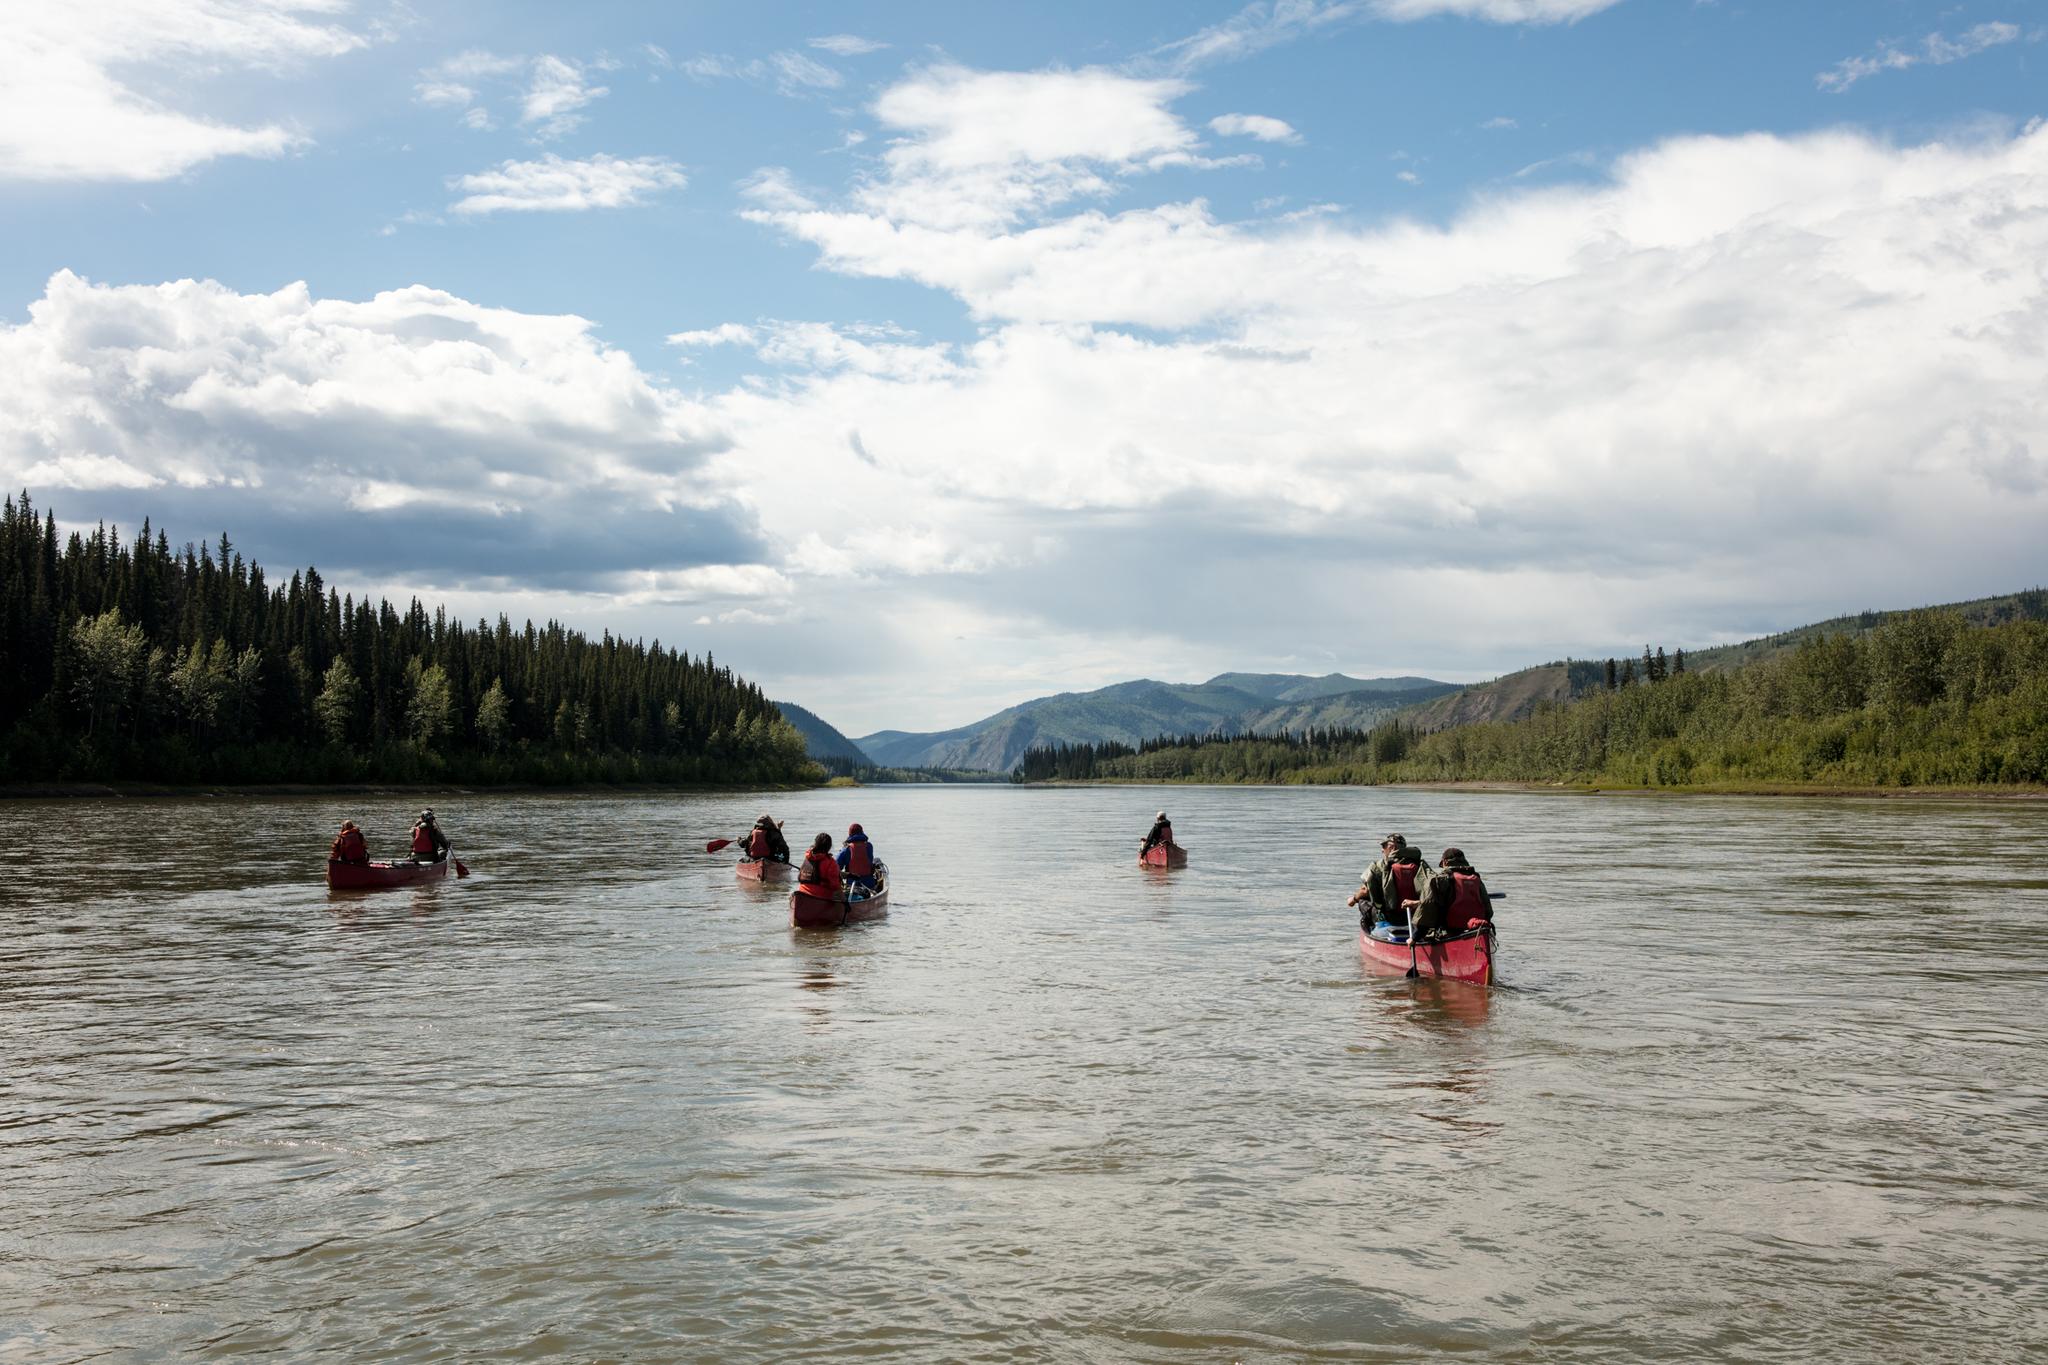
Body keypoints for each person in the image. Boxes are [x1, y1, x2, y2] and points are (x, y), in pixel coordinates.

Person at [1405, 847, 1493, 941]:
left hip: (1448, 933)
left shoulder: (1439, 880)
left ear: (1445, 862)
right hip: (1476, 930)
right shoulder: (1476, 880)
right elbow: (1488, 911)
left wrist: (1415, 937)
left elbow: (1427, 910)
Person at [1348, 832, 1424, 927]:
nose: (1382, 850)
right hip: (1416, 914)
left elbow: (1365, 890)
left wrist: (1353, 899)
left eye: (1384, 846)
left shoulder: (1378, 866)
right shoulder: (1419, 865)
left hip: (1390, 917)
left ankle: (1374, 929)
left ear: (1391, 848)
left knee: (1362, 900)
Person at [795, 832, 843, 903]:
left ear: (816, 844)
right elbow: (835, 885)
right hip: (820, 896)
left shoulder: (808, 857)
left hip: (802, 893)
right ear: (829, 847)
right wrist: (844, 900)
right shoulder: (830, 862)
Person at [837, 822, 879, 890]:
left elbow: (837, 867)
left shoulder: (846, 849)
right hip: (869, 885)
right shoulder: (869, 846)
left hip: (852, 886)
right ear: (862, 832)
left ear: (850, 834)